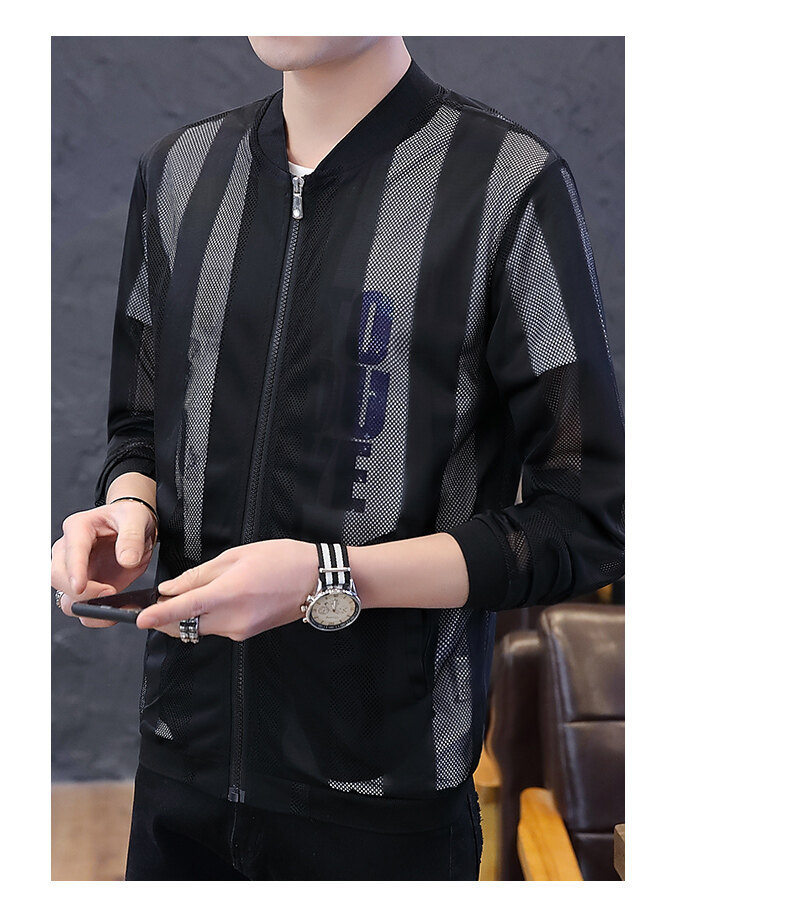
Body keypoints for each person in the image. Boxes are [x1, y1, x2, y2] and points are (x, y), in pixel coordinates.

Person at [51, 36, 625, 881]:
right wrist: (128, 509)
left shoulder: (506, 185)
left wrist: (330, 576)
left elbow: (585, 519)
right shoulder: (178, 173)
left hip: (384, 801)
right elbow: (141, 422)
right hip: (181, 772)